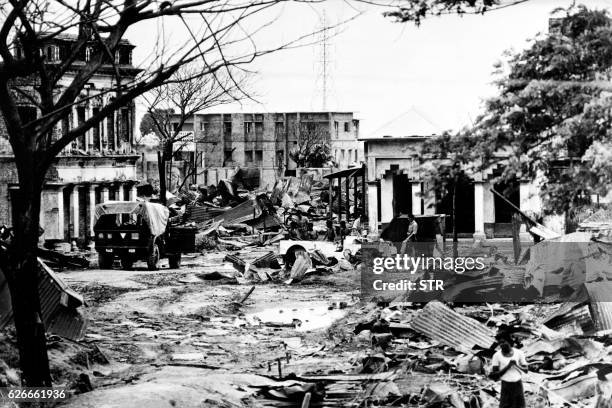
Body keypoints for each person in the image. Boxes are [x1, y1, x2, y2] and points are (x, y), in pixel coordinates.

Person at [490, 332, 528, 408]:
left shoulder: (519, 353)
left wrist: (516, 365)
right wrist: (508, 366)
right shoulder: (496, 355)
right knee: (505, 406)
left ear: (509, 341)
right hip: (506, 385)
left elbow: (526, 370)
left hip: (518, 384)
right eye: (499, 343)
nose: (501, 345)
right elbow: (495, 375)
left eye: (503, 342)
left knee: (520, 406)